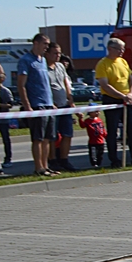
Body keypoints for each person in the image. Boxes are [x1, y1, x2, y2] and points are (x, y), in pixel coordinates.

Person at [16, 32, 57, 177]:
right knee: (38, 138)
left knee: (47, 138)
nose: (47, 47)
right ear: (36, 43)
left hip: (48, 104)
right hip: (36, 104)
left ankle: (46, 166)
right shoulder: (26, 60)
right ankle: (38, 167)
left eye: (48, 44)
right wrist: (27, 105)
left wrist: (51, 102)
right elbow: (21, 85)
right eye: (45, 44)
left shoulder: (43, 60)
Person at [96, 37, 132, 167]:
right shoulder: (103, 64)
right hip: (112, 100)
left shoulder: (123, 62)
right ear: (110, 48)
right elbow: (105, 85)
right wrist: (121, 96)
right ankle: (114, 160)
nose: (122, 52)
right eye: (119, 49)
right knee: (112, 131)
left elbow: (131, 80)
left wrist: (130, 93)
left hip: (127, 100)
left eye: (123, 49)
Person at [45, 41, 78, 171]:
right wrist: (51, 103)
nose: (58, 56)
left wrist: (70, 97)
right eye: (55, 53)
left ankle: (64, 159)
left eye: (59, 53)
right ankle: (52, 160)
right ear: (47, 53)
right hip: (53, 107)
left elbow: (65, 82)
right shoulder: (43, 67)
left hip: (65, 105)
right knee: (52, 136)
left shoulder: (60, 66)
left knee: (67, 133)